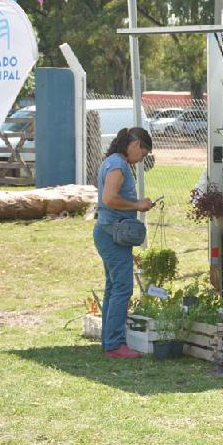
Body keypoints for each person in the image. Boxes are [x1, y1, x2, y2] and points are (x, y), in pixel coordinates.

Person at [94, 127, 154, 358]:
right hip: (112, 234)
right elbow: (109, 198)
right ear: (136, 144)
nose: (142, 159)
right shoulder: (118, 165)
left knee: (113, 288)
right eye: (144, 154)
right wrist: (137, 205)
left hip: (108, 232)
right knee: (122, 288)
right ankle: (115, 345)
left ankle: (110, 341)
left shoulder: (113, 161)